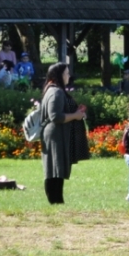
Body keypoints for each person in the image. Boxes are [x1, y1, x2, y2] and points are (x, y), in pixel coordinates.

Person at [38, 62, 87, 205]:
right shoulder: (56, 92)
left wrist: (76, 112)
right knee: (55, 168)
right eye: (66, 73)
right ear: (59, 75)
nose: (68, 76)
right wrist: (76, 115)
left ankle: (57, 199)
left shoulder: (53, 90)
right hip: (56, 134)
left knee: (56, 167)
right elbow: (56, 116)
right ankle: (55, 200)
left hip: (57, 134)